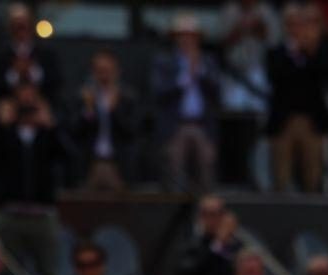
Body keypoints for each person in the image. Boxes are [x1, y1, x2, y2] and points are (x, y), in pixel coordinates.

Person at [267, 3, 328, 193]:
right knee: (281, 175)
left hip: (311, 121)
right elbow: (276, 77)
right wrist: (294, 54)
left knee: (313, 173)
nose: (297, 29)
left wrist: (310, 51)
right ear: (286, 26)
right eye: (292, 24)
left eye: (301, 24)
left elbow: (327, 77)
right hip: (284, 121)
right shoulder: (276, 53)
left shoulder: (318, 52)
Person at [150, 13, 221, 192]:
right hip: (175, 126)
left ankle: (207, 212)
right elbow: (159, 92)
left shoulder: (208, 62)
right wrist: (184, 77)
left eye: (191, 35)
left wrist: (199, 71)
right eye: (183, 35)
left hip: (202, 126)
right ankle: (175, 212)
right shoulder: (164, 62)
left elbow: (217, 91)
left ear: (197, 38)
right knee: (174, 169)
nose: (187, 40)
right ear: (175, 38)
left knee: (206, 167)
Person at [0, 82, 66, 206]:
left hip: (42, 204)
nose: (27, 104)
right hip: (10, 204)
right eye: (22, 101)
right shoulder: (6, 132)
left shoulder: (46, 134)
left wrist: (51, 127)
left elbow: (65, 155)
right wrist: (2, 126)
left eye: (31, 100)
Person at [73, 49, 138, 191]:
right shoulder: (84, 97)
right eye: (99, 71)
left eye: (107, 70)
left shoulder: (127, 98)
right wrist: (88, 111)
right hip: (91, 164)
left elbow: (131, 132)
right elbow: (75, 133)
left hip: (117, 165)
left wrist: (114, 110)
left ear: (116, 71)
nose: (104, 76)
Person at [180, 196, 242, 275]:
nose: (213, 220)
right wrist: (218, 243)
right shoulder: (192, 244)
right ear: (200, 218)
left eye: (218, 214)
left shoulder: (236, 246)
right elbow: (190, 274)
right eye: (208, 215)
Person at [0, 3, 61, 102]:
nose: (21, 31)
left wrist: (33, 71)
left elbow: (56, 82)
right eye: (17, 26)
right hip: (8, 102)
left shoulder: (46, 53)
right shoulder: (0, 55)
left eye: (24, 26)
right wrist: (14, 73)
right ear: (10, 28)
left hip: (41, 101)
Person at [219, 0, 278, 113]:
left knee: (259, 110)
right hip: (234, 71)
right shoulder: (229, 9)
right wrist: (239, 29)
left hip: (259, 69)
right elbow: (221, 44)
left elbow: (275, 41)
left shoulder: (265, 10)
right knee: (233, 111)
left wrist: (257, 27)